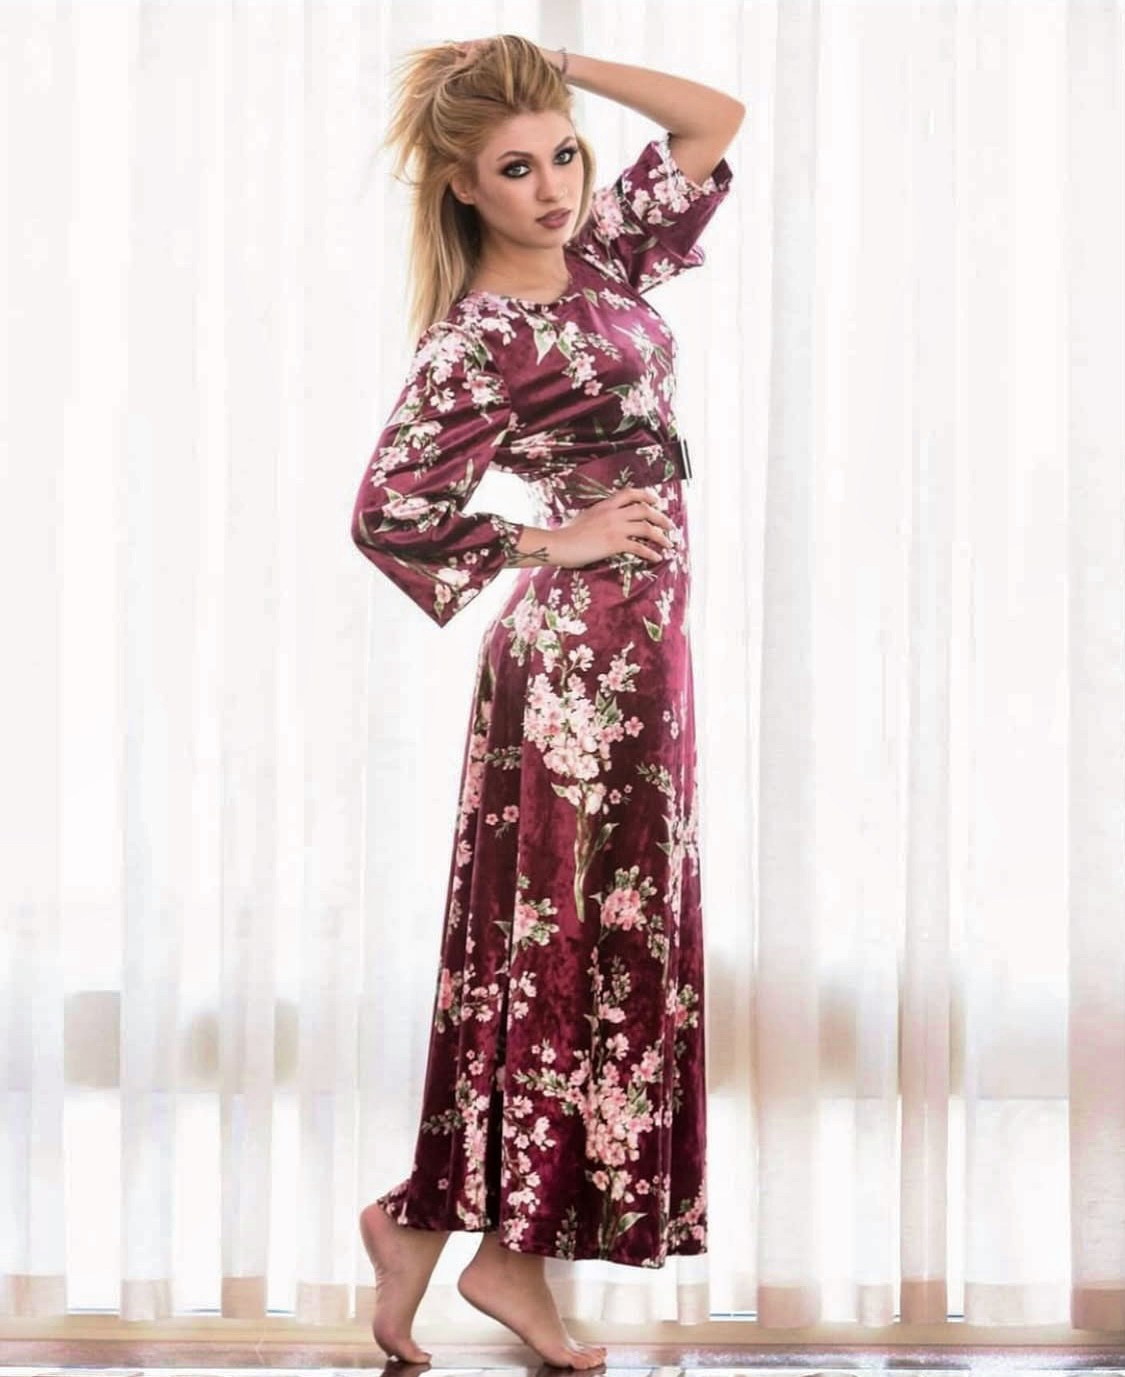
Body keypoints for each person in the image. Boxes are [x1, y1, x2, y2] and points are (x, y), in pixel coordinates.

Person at [350, 33, 743, 1369]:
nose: (554, 185)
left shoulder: (606, 262)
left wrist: (550, 59)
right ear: (463, 187)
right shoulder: (480, 338)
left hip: (645, 657)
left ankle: (427, 1225)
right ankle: (497, 1252)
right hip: (574, 673)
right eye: (515, 169)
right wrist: (549, 540)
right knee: (561, 955)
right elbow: (390, 512)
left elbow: (712, 121)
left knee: (574, 953)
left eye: (563, 154)